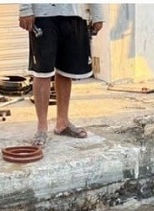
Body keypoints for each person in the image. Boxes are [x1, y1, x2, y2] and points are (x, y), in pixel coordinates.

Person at [18, 3, 105, 147]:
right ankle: (42, 128)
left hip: (74, 13)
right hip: (43, 15)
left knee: (66, 71)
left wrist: (98, 14)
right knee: (42, 72)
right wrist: (25, 9)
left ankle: (62, 123)